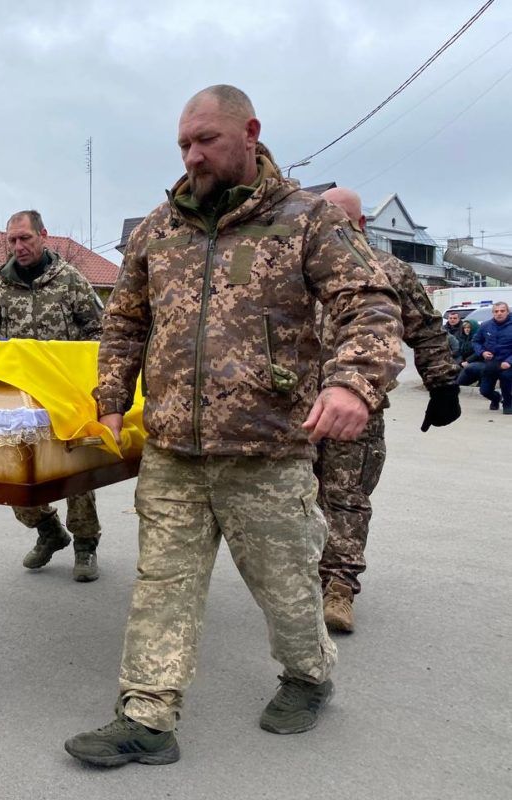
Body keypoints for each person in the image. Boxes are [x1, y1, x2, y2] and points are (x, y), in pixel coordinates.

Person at [64, 85, 404, 767]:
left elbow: (368, 301)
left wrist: (352, 383)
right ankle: (146, 715)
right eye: (183, 144)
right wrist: (109, 394)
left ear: (249, 132)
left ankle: (308, 675)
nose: (192, 156)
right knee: (162, 583)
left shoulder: (305, 220)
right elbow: (125, 320)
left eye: (205, 141)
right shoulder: (157, 230)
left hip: (267, 449)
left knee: (284, 590)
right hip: (172, 452)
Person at [315, 188, 461, 633]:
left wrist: (442, 385)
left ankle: (338, 586)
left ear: (360, 224)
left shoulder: (390, 269)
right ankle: (297, 580)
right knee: (289, 497)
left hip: (357, 405)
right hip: (292, 408)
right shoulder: (298, 266)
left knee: (345, 496)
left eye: (340, 221)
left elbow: (426, 328)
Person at [0, 209, 105, 582]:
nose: (19, 246)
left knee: (76, 473)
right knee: (15, 473)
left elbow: (101, 331)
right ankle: (48, 530)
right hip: (20, 399)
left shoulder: (71, 282)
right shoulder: (0, 288)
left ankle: (85, 545)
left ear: (43, 235)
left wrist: (79, 370)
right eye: (12, 240)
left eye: (25, 238)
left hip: (66, 394)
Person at [472, 301, 512, 413]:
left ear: (507, 312)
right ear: (493, 313)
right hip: (492, 362)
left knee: (506, 379)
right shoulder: (485, 326)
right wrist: (482, 352)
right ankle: (496, 398)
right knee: (484, 390)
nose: (499, 313)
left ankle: (508, 404)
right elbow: (476, 341)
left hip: (508, 362)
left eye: (502, 311)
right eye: (496, 311)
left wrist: (509, 361)